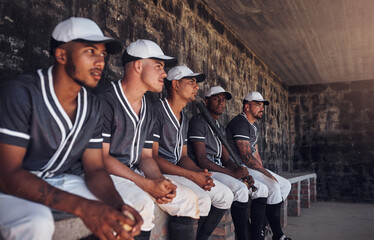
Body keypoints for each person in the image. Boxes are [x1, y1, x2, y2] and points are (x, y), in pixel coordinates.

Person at [0, 17, 142, 240]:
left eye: (103, 54)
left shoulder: (93, 106)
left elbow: (94, 169)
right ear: (62, 55)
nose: (100, 61)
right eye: (90, 51)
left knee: (120, 212)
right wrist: (83, 207)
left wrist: (117, 204)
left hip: (54, 178)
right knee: (36, 223)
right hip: (8, 185)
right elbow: (7, 175)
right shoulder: (21, 92)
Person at [96, 39, 201, 240]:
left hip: (133, 171)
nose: (164, 74)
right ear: (138, 65)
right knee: (142, 202)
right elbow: (101, 158)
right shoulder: (106, 100)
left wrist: (158, 180)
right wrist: (145, 183)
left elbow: (146, 157)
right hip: (106, 173)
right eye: (159, 66)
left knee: (187, 199)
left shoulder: (149, 108)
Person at [152, 66, 234, 240]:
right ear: (175, 85)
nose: (196, 87)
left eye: (196, 83)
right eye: (191, 82)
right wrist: (191, 175)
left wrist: (199, 173)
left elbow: (182, 157)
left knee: (224, 195)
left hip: (175, 171)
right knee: (201, 199)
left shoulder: (184, 119)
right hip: (157, 171)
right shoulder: (156, 111)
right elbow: (152, 158)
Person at [188, 86, 270, 240]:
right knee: (239, 190)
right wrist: (233, 174)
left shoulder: (220, 127)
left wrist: (241, 172)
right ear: (206, 102)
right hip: (205, 170)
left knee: (248, 187)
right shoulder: (198, 122)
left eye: (223, 100)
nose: (221, 103)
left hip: (219, 168)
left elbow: (226, 160)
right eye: (216, 99)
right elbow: (202, 160)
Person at [226, 91, 292, 240]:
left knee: (285, 185)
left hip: (250, 167)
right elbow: (247, 158)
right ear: (247, 107)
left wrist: (264, 173)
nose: (261, 108)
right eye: (258, 105)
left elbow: (255, 154)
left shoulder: (252, 126)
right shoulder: (240, 123)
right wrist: (267, 176)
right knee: (273, 187)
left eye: (262, 105)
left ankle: (262, 224)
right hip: (239, 167)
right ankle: (277, 235)